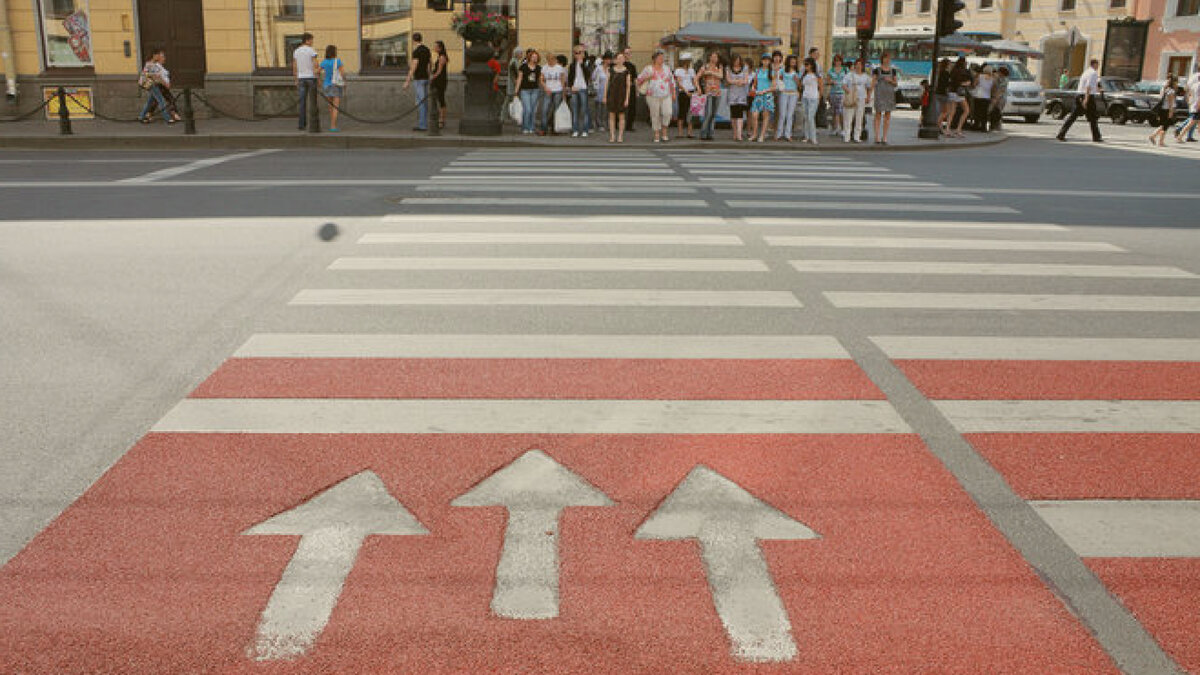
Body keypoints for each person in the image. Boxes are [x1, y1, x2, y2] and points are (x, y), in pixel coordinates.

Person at [1056, 58, 1102, 143]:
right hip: (1087, 96)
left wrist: (1098, 90)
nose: (1098, 66)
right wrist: (1086, 99)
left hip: (1079, 95)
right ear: (1094, 64)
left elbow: (1090, 85)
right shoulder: (1093, 73)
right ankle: (1096, 137)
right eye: (1097, 64)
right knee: (1092, 117)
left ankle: (1061, 134)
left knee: (1073, 117)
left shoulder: (1086, 72)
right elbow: (1088, 87)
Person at [638, 49, 676, 143]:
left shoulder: (667, 68)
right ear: (654, 59)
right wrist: (648, 77)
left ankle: (664, 130)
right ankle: (656, 133)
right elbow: (639, 80)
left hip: (666, 94)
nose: (661, 59)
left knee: (667, 113)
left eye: (662, 58)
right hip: (652, 95)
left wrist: (674, 93)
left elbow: (672, 82)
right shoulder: (648, 68)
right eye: (659, 58)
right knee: (655, 115)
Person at [137, 48, 179, 124]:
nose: (159, 57)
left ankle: (141, 116)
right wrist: (163, 82)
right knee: (161, 101)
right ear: (154, 55)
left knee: (150, 102)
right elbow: (154, 76)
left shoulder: (153, 64)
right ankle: (167, 118)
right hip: (151, 85)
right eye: (158, 55)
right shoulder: (150, 64)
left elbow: (157, 76)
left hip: (153, 84)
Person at [403, 33, 432, 131]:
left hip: (419, 79)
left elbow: (414, 66)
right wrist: (429, 76)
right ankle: (423, 123)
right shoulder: (427, 50)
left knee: (421, 102)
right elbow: (429, 64)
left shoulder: (416, 51)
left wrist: (407, 80)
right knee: (424, 102)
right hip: (425, 78)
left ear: (414, 41)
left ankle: (422, 125)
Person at [293, 32, 320, 131]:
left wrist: (295, 79)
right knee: (313, 102)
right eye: (311, 40)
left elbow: (295, 66)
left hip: (301, 78)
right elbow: (315, 64)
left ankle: (302, 124)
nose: (312, 42)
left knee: (302, 102)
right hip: (311, 77)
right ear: (307, 40)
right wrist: (318, 77)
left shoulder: (296, 51)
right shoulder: (311, 50)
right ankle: (313, 123)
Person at [695, 51, 724, 141]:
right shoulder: (705, 67)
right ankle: (703, 133)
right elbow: (696, 78)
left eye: (716, 57)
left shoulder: (719, 67)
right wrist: (699, 88)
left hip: (717, 92)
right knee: (708, 113)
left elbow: (721, 76)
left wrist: (711, 73)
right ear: (709, 57)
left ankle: (710, 133)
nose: (715, 59)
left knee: (714, 114)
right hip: (708, 92)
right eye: (713, 56)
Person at [872, 52, 899, 145]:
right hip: (879, 94)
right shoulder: (877, 70)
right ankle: (877, 136)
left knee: (887, 115)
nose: (887, 60)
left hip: (889, 94)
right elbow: (873, 81)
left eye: (888, 58)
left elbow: (896, 83)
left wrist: (890, 80)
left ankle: (885, 136)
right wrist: (870, 93)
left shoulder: (893, 71)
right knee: (878, 114)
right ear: (882, 59)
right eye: (885, 58)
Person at [749, 53, 777, 143]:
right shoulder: (757, 71)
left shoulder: (772, 72)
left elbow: (774, 87)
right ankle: (754, 134)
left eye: (768, 60)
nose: (766, 62)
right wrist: (753, 88)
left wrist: (764, 91)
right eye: (764, 60)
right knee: (754, 115)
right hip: (758, 95)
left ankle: (762, 135)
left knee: (765, 116)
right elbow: (754, 83)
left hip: (767, 95)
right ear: (761, 61)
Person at [607, 52, 634, 143]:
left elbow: (628, 86)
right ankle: (612, 135)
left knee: (622, 116)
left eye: (622, 58)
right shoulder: (610, 70)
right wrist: (604, 96)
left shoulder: (627, 71)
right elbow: (607, 84)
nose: (620, 59)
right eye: (619, 58)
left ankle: (620, 136)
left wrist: (627, 98)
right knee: (611, 116)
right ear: (615, 60)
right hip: (612, 95)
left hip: (622, 95)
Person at [566, 46, 592, 138]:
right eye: (576, 53)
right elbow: (570, 77)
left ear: (583, 54)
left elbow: (588, 74)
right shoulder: (572, 65)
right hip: (574, 89)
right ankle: (575, 130)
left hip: (583, 88)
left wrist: (582, 65)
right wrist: (570, 87)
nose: (578, 55)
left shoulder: (587, 63)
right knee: (575, 110)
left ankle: (585, 130)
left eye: (580, 52)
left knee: (584, 111)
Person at [842, 58, 870, 144]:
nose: (858, 66)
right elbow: (843, 84)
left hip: (861, 98)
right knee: (848, 117)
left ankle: (857, 137)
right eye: (857, 64)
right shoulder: (849, 75)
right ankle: (847, 136)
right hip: (851, 98)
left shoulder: (865, 76)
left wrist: (868, 97)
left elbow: (868, 87)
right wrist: (848, 91)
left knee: (859, 118)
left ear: (862, 66)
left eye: (860, 65)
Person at [514, 49, 542, 134]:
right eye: (533, 57)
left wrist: (544, 88)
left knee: (533, 110)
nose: (535, 59)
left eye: (536, 57)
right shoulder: (523, 67)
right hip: (525, 90)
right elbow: (519, 78)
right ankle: (525, 127)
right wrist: (516, 90)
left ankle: (531, 127)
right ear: (529, 58)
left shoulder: (539, 68)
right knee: (527, 109)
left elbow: (540, 80)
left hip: (535, 90)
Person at [319, 45, 345, 132]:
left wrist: (319, 81)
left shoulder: (324, 62)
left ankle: (332, 123)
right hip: (336, 85)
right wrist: (344, 83)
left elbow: (317, 71)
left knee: (330, 106)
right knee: (335, 107)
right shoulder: (338, 61)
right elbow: (342, 74)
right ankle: (333, 126)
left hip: (326, 85)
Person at [539, 53, 566, 135]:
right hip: (548, 90)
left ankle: (555, 129)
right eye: (548, 59)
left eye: (551, 59)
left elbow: (562, 80)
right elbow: (541, 79)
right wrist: (545, 87)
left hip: (558, 90)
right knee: (544, 110)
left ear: (555, 59)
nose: (550, 61)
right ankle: (543, 129)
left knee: (556, 110)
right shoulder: (544, 68)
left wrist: (563, 93)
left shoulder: (559, 68)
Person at [726, 54, 750, 141]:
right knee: (733, 114)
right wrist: (736, 82)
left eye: (738, 60)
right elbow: (728, 79)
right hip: (732, 93)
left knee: (740, 114)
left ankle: (739, 134)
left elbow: (746, 80)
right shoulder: (728, 68)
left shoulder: (745, 68)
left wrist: (741, 82)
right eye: (735, 60)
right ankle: (735, 133)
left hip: (741, 93)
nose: (737, 62)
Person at [945, 57, 971, 138]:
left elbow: (952, 81)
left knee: (951, 112)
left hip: (952, 92)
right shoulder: (963, 71)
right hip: (959, 93)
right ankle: (958, 129)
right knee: (966, 110)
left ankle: (947, 128)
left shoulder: (953, 70)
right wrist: (966, 83)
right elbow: (961, 82)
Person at [776, 55, 800, 141]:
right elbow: (779, 80)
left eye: (794, 61)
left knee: (790, 115)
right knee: (782, 114)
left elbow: (799, 85)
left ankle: (788, 134)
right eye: (792, 61)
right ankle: (779, 133)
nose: (793, 62)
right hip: (784, 93)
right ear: (788, 61)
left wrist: (797, 80)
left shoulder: (797, 72)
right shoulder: (782, 70)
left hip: (793, 93)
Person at [1150, 75, 1179, 146]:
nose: (1177, 84)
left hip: (1162, 109)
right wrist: (1171, 112)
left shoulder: (1164, 89)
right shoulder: (1171, 91)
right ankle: (1160, 141)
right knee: (1165, 126)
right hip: (1167, 110)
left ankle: (1153, 136)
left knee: (1163, 125)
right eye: (1176, 82)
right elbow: (1170, 103)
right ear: (1174, 82)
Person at [800, 57, 823, 144]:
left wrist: (819, 97)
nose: (805, 67)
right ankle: (807, 136)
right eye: (805, 65)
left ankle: (813, 137)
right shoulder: (804, 75)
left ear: (812, 65)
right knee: (806, 117)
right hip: (805, 96)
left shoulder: (817, 76)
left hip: (814, 97)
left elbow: (821, 87)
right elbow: (801, 86)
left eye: (807, 65)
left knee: (810, 117)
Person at [826, 54, 848, 137]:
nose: (837, 62)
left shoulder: (845, 70)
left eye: (839, 61)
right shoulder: (831, 70)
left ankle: (842, 128)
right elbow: (827, 81)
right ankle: (835, 128)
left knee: (841, 111)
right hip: (833, 92)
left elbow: (849, 79)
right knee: (834, 111)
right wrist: (831, 82)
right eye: (836, 61)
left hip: (842, 92)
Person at [428, 40, 449, 129]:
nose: (434, 48)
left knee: (441, 99)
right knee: (439, 99)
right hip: (439, 79)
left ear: (440, 47)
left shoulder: (442, 57)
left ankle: (441, 120)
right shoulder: (439, 56)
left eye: (436, 46)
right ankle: (440, 119)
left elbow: (439, 71)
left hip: (440, 80)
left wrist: (432, 78)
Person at [674, 54, 696, 138]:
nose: (688, 62)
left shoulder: (691, 70)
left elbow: (694, 81)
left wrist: (697, 89)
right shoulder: (679, 70)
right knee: (682, 112)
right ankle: (680, 133)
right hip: (683, 92)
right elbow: (679, 83)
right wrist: (686, 91)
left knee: (691, 112)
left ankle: (690, 132)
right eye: (687, 60)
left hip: (691, 91)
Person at [1176, 64, 1200, 142]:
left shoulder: (1193, 79)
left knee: (1193, 121)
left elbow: (1187, 89)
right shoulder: (1198, 83)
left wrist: (1189, 99)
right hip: (1197, 105)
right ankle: (1180, 133)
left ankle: (1183, 134)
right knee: (1192, 121)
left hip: (1193, 102)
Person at [592, 51, 612, 133]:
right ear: (604, 60)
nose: (608, 61)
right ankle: (598, 124)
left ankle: (605, 124)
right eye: (607, 59)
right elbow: (593, 77)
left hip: (608, 90)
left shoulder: (610, 69)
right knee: (598, 108)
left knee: (606, 109)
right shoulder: (598, 68)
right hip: (599, 90)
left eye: (610, 59)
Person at [971, 65, 993, 132]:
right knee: (984, 113)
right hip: (986, 97)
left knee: (977, 111)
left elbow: (974, 84)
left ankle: (976, 125)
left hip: (978, 96)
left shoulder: (980, 76)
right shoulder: (992, 78)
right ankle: (984, 127)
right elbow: (992, 88)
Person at [988, 66, 1009, 132]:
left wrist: (995, 99)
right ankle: (994, 125)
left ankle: (996, 126)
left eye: (999, 72)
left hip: (1000, 98)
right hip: (995, 97)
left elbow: (1001, 91)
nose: (998, 73)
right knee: (994, 111)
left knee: (997, 112)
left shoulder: (1004, 80)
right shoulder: (997, 78)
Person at [623, 47, 638, 131]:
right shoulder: (620, 65)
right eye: (626, 53)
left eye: (629, 53)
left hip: (631, 88)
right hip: (622, 88)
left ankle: (629, 126)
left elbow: (635, 79)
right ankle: (617, 124)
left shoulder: (632, 66)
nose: (627, 55)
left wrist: (637, 90)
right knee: (620, 106)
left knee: (632, 107)